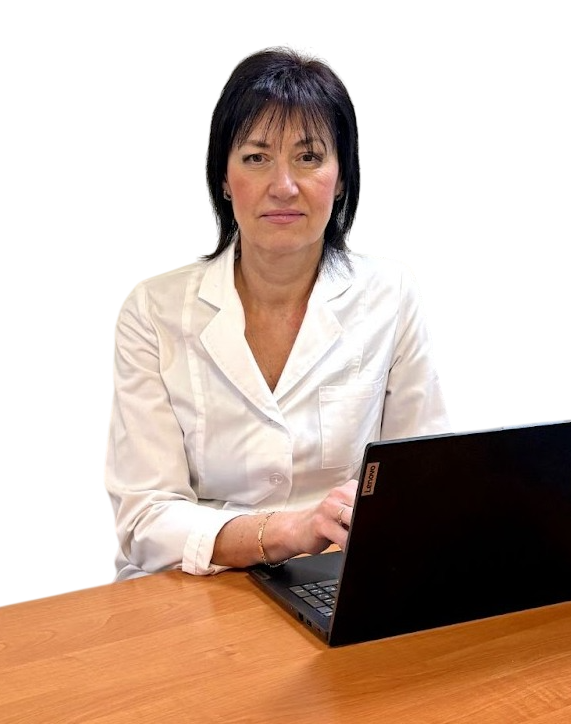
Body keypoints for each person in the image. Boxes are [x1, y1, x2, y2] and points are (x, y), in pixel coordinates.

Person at [103, 44, 454, 581]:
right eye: (256, 157)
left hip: (340, 579)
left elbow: (428, 480)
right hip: (189, 585)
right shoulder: (152, 310)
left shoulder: (393, 290)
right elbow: (144, 518)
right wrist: (286, 531)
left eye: (308, 157)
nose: (284, 187)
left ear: (341, 177)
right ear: (224, 178)